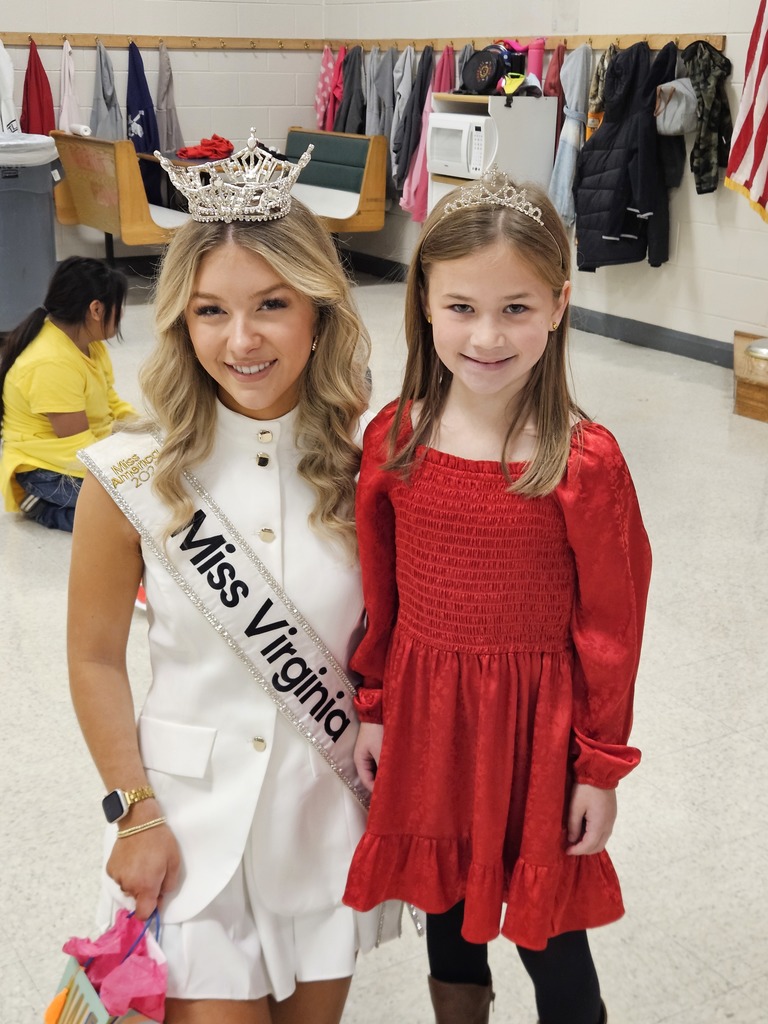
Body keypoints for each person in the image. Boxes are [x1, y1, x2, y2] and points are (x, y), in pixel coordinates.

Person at [67, 138, 382, 1024]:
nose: (240, 340)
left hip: (324, 826)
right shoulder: (127, 472)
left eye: (272, 305)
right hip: (186, 835)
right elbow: (94, 658)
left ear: (319, 311)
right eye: (210, 311)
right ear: (179, 319)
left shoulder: (372, 471)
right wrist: (133, 813)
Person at [342, 168, 653, 1024]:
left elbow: (612, 629)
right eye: (462, 308)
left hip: (539, 739)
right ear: (424, 303)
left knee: (554, 945)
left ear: (558, 304)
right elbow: (383, 594)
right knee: (447, 915)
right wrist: (373, 707)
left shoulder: (584, 461)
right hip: (428, 724)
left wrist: (599, 767)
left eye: (515, 308)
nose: (486, 336)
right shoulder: (394, 440)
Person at [0, 256, 135, 531]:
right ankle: (42, 506)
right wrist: (131, 464)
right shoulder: (51, 363)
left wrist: (148, 434)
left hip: (78, 453)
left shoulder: (89, 344)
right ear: (96, 309)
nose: (121, 315)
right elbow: (78, 446)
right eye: (118, 306)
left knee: (156, 485)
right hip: (46, 469)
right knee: (132, 514)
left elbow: (110, 403)